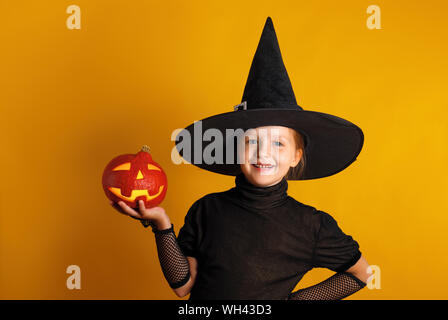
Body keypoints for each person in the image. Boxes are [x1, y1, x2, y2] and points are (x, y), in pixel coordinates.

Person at [110, 17, 370, 300]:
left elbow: (360, 273)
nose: (263, 152)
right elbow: (182, 286)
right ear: (235, 148)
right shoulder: (206, 210)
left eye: (279, 143)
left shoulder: (311, 225)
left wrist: (295, 301)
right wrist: (162, 225)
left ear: (296, 156)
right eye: (252, 141)